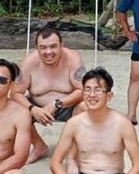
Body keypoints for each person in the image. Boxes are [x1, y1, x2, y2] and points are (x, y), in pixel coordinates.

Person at [30, 67, 139, 174]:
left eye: (98, 90)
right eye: (87, 90)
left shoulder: (123, 123)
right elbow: (55, 163)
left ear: (109, 96)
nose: (92, 95)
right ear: (82, 94)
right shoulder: (74, 123)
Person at [11, 26, 87, 165]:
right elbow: (15, 93)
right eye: (43, 47)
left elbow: (84, 90)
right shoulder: (28, 63)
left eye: (53, 46)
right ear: (37, 48)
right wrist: (32, 109)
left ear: (61, 45)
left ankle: (75, 149)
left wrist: (56, 104)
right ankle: (39, 146)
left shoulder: (73, 59)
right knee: (13, 108)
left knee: (86, 106)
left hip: (68, 106)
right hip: (37, 106)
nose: (48, 52)